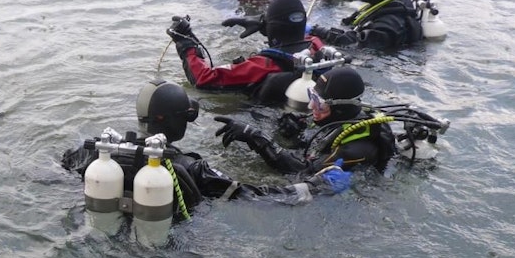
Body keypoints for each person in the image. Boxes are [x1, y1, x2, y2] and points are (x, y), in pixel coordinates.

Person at [61, 79, 351, 218]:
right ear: (181, 121)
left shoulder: (98, 152)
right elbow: (259, 196)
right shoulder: (191, 168)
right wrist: (315, 187)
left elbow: (55, 168)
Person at [213, 66, 397, 175]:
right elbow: (311, 149)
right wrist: (293, 135)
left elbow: (303, 171)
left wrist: (255, 137)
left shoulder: (357, 148)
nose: (311, 107)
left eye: (319, 103)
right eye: (312, 96)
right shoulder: (339, 122)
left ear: (341, 107)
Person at [168, 0, 328, 106]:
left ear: (273, 28)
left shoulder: (262, 66)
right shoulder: (317, 46)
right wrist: (262, 22)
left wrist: (185, 43)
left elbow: (203, 79)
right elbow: (295, 27)